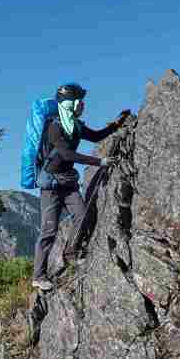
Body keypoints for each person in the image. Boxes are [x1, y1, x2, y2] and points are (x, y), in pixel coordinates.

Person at [33, 83, 131, 291]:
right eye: (79, 101)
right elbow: (66, 154)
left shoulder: (75, 126)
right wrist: (100, 162)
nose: (82, 105)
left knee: (82, 215)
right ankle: (39, 276)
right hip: (51, 185)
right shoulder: (54, 127)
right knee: (49, 230)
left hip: (68, 183)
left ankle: (71, 253)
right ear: (70, 104)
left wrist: (116, 123)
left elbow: (96, 136)